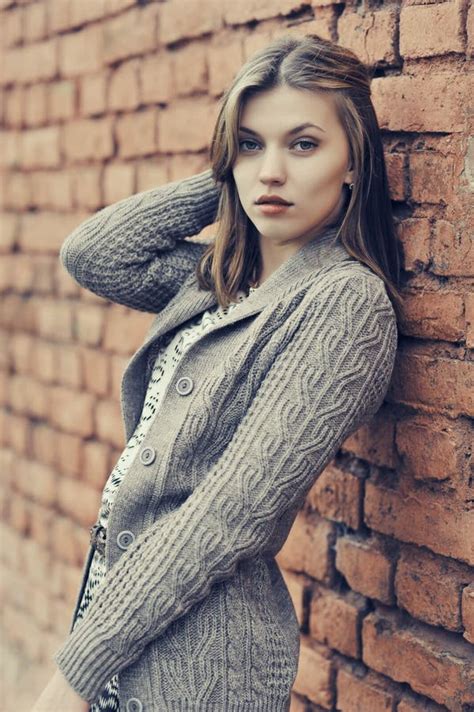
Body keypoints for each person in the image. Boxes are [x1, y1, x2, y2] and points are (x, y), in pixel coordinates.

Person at [31, 32, 401, 712]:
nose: (270, 174)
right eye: (251, 144)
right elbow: (95, 254)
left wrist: (71, 677)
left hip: (200, 667)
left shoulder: (344, 305)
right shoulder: (219, 278)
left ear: (355, 161)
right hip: (122, 639)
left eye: (304, 144)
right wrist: (224, 174)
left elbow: (228, 516)